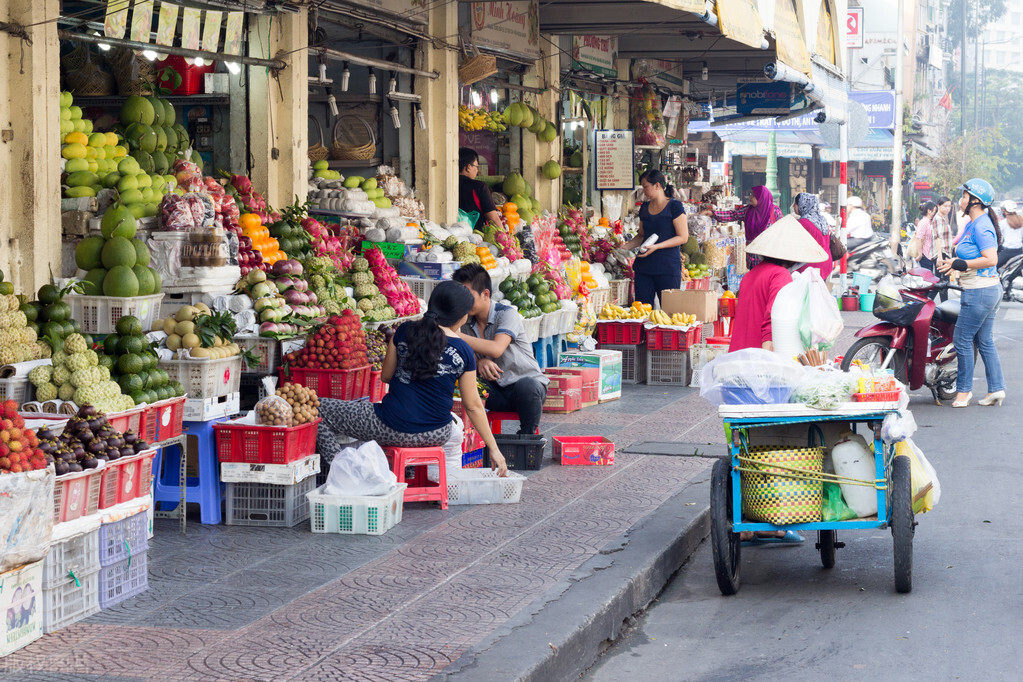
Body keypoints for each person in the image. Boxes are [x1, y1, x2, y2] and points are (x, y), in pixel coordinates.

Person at [317, 281, 508, 476]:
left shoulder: (404, 331)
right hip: (437, 433)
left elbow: (386, 376)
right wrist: (493, 448)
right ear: (461, 316)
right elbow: (474, 405)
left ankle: (340, 469)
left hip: (389, 426)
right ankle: (420, 477)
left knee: (317, 408)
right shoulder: (464, 351)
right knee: (455, 433)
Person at [730, 214, 830, 546]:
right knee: (771, 442)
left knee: (744, 443)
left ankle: (750, 513)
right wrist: (775, 364)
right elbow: (771, 327)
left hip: (737, 365)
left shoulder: (750, 276)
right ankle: (771, 520)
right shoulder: (781, 278)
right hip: (761, 367)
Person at [452, 264, 549, 435]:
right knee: (461, 384)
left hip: (526, 390)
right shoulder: (466, 322)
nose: (462, 301)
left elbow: (496, 349)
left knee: (527, 386)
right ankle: (472, 440)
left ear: (486, 294)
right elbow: (465, 353)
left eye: (467, 296)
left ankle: (527, 440)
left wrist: (452, 333)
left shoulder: (506, 314)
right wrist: (479, 361)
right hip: (496, 390)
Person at [937, 178, 1006, 408]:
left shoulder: (982, 225)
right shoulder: (972, 224)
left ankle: (963, 392)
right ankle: (997, 389)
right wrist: (953, 263)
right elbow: (965, 256)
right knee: (984, 340)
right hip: (985, 289)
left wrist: (962, 265)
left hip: (980, 291)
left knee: (962, 339)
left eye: (965, 196)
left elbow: (991, 258)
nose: (961, 200)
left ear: (976, 201)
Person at [729, 214, 831, 353]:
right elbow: (774, 316)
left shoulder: (749, 275)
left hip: (738, 353)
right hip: (758, 356)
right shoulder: (780, 275)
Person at [620, 170, 689, 306]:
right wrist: (625, 247)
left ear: (657, 185)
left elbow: (683, 237)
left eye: (646, 187)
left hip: (667, 268)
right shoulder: (644, 208)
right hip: (644, 268)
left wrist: (657, 246)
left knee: (669, 312)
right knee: (642, 311)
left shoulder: (674, 206)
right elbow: (641, 235)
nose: (644, 191)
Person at [792, 193, 834, 282]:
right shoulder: (822, 219)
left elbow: (797, 245)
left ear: (802, 205)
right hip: (825, 263)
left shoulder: (804, 222)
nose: (793, 206)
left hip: (811, 266)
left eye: (795, 203)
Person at [457, 147, 502, 231]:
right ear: (468, 167)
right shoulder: (479, 187)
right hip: (478, 237)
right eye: (476, 166)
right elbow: (494, 219)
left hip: (454, 233)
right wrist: (506, 239)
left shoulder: (450, 185)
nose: (477, 170)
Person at [742, 185, 783, 269]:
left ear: (762, 197)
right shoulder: (748, 210)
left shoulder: (774, 211)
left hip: (768, 257)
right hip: (752, 258)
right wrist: (713, 213)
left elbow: (782, 231)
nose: (750, 197)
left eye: (754, 195)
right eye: (751, 194)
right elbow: (732, 214)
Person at [997, 199, 1023, 268]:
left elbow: (999, 238)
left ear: (1005, 211)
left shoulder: (1002, 223)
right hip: (1020, 250)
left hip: (1007, 252)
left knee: (994, 267)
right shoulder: (1021, 220)